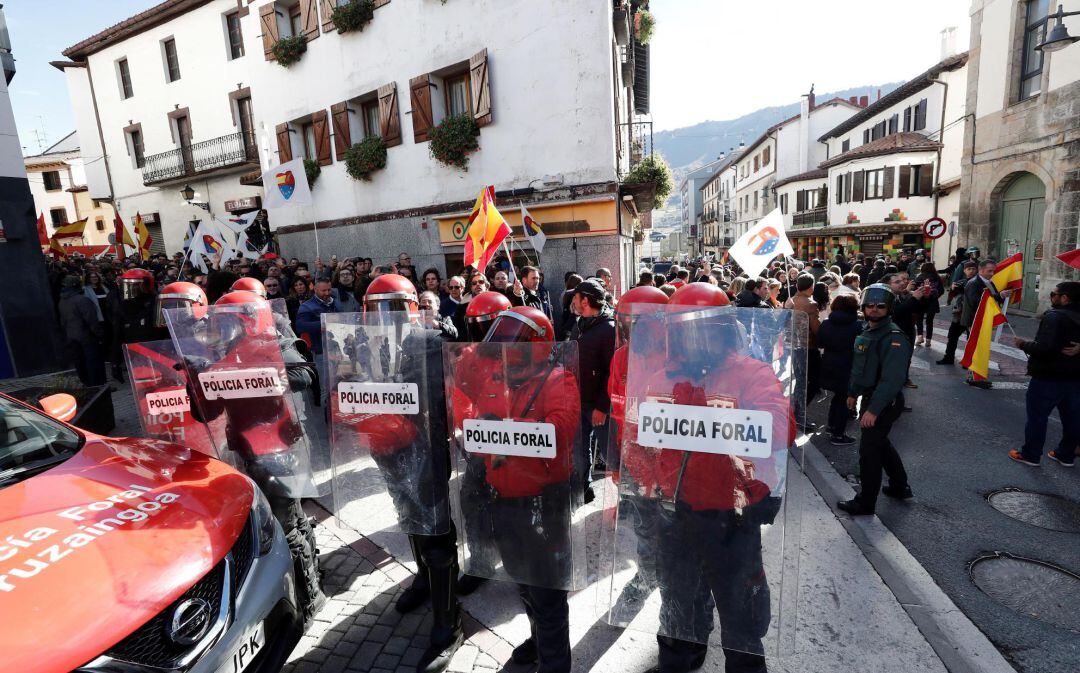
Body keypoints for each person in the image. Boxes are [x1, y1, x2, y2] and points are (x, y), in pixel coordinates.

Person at [631, 281, 790, 673]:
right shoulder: (659, 378)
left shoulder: (752, 373)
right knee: (678, 605)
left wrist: (706, 413)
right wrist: (646, 490)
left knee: (741, 617)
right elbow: (639, 443)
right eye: (686, 331)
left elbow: (781, 426)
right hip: (676, 514)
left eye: (703, 329)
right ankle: (678, 663)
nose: (694, 340)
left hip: (732, 519)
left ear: (722, 329)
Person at [458, 306, 580, 673]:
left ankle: (555, 664)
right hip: (503, 502)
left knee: (548, 591)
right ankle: (537, 638)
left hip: (544, 503)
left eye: (518, 343)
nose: (509, 352)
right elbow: (478, 436)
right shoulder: (496, 377)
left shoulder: (559, 380)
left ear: (539, 346)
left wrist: (506, 429)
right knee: (522, 582)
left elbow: (559, 433)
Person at [357, 274, 463, 672]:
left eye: (396, 307)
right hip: (388, 449)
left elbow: (440, 399)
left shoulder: (430, 344)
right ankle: (423, 580)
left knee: (436, 534)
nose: (388, 317)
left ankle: (447, 623)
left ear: (413, 308)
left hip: (427, 449)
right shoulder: (362, 343)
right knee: (411, 521)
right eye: (380, 308)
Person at [838, 284, 913, 516]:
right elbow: (862, 369)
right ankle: (900, 486)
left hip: (883, 402)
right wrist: (852, 393)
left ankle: (865, 503)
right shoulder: (869, 331)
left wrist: (874, 409)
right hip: (871, 398)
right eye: (870, 304)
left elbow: (892, 380)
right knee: (880, 443)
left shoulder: (893, 338)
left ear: (889, 308)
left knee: (869, 453)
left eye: (880, 306)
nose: (874, 309)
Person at [1008, 281, 1080, 467]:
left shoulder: (1055, 317)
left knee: (1037, 416)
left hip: (1049, 376)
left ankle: (1031, 454)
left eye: (1054, 294)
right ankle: (1066, 454)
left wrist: (1023, 344)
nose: (1052, 297)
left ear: (1065, 298)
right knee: (1072, 417)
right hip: (1074, 376)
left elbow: (1046, 348)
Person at [568, 278, 616, 489]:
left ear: (585, 300)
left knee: (610, 454)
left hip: (597, 407)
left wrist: (602, 407)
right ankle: (582, 489)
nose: (574, 302)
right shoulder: (580, 325)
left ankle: (624, 498)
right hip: (577, 400)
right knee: (579, 450)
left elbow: (611, 372)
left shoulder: (609, 329)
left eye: (576, 298)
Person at [818, 294, 862, 445]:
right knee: (844, 399)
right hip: (848, 365)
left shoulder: (825, 323)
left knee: (838, 396)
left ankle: (831, 426)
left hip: (829, 363)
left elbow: (820, 343)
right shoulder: (858, 326)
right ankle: (838, 434)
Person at [112, 268, 163, 383]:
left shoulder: (157, 303)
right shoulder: (123, 307)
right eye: (128, 286)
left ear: (146, 285)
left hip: (157, 350)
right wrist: (115, 362)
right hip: (135, 353)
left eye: (135, 286)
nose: (131, 290)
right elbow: (117, 335)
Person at [785, 274, 821, 429]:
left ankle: (797, 414)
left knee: (800, 382)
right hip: (808, 347)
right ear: (811, 286)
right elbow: (816, 329)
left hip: (794, 346)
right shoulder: (811, 304)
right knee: (809, 383)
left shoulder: (790, 301)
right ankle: (799, 415)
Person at [58, 275, 106, 387]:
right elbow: (91, 320)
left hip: (72, 335)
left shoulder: (62, 301)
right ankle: (97, 384)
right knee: (93, 360)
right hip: (86, 335)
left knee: (80, 361)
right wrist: (99, 334)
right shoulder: (82, 300)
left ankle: (87, 383)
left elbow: (63, 321)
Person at [912, 262, 944, 347]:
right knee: (929, 321)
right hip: (932, 302)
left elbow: (914, 289)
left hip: (920, 301)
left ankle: (920, 338)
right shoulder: (937, 277)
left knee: (919, 319)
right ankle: (928, 341)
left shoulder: (919, 277)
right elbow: (941, 291)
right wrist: (935, 296)